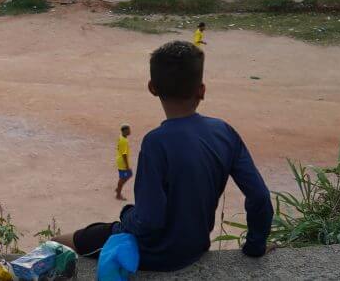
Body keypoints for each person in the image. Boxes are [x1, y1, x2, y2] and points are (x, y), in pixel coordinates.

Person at [54, 41, 273, 271]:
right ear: (202, 90)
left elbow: (148, 221)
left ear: (152, 88)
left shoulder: (155, 142)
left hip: (154, 253)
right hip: (196, 247)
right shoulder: (225, 132)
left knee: (61, 242)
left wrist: (127, 214)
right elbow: (259, 197)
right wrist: (255, 246)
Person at [116, 124, 132, 201]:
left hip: (119, 160)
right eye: (129, 130)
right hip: (122, 162)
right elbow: (124, 154)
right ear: (125, 131)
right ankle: (118, 194)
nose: (130, 131)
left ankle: (118, 189)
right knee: (124, 177)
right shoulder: (124, 141)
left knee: (126, 176)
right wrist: (127, 166)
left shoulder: (121, 137)